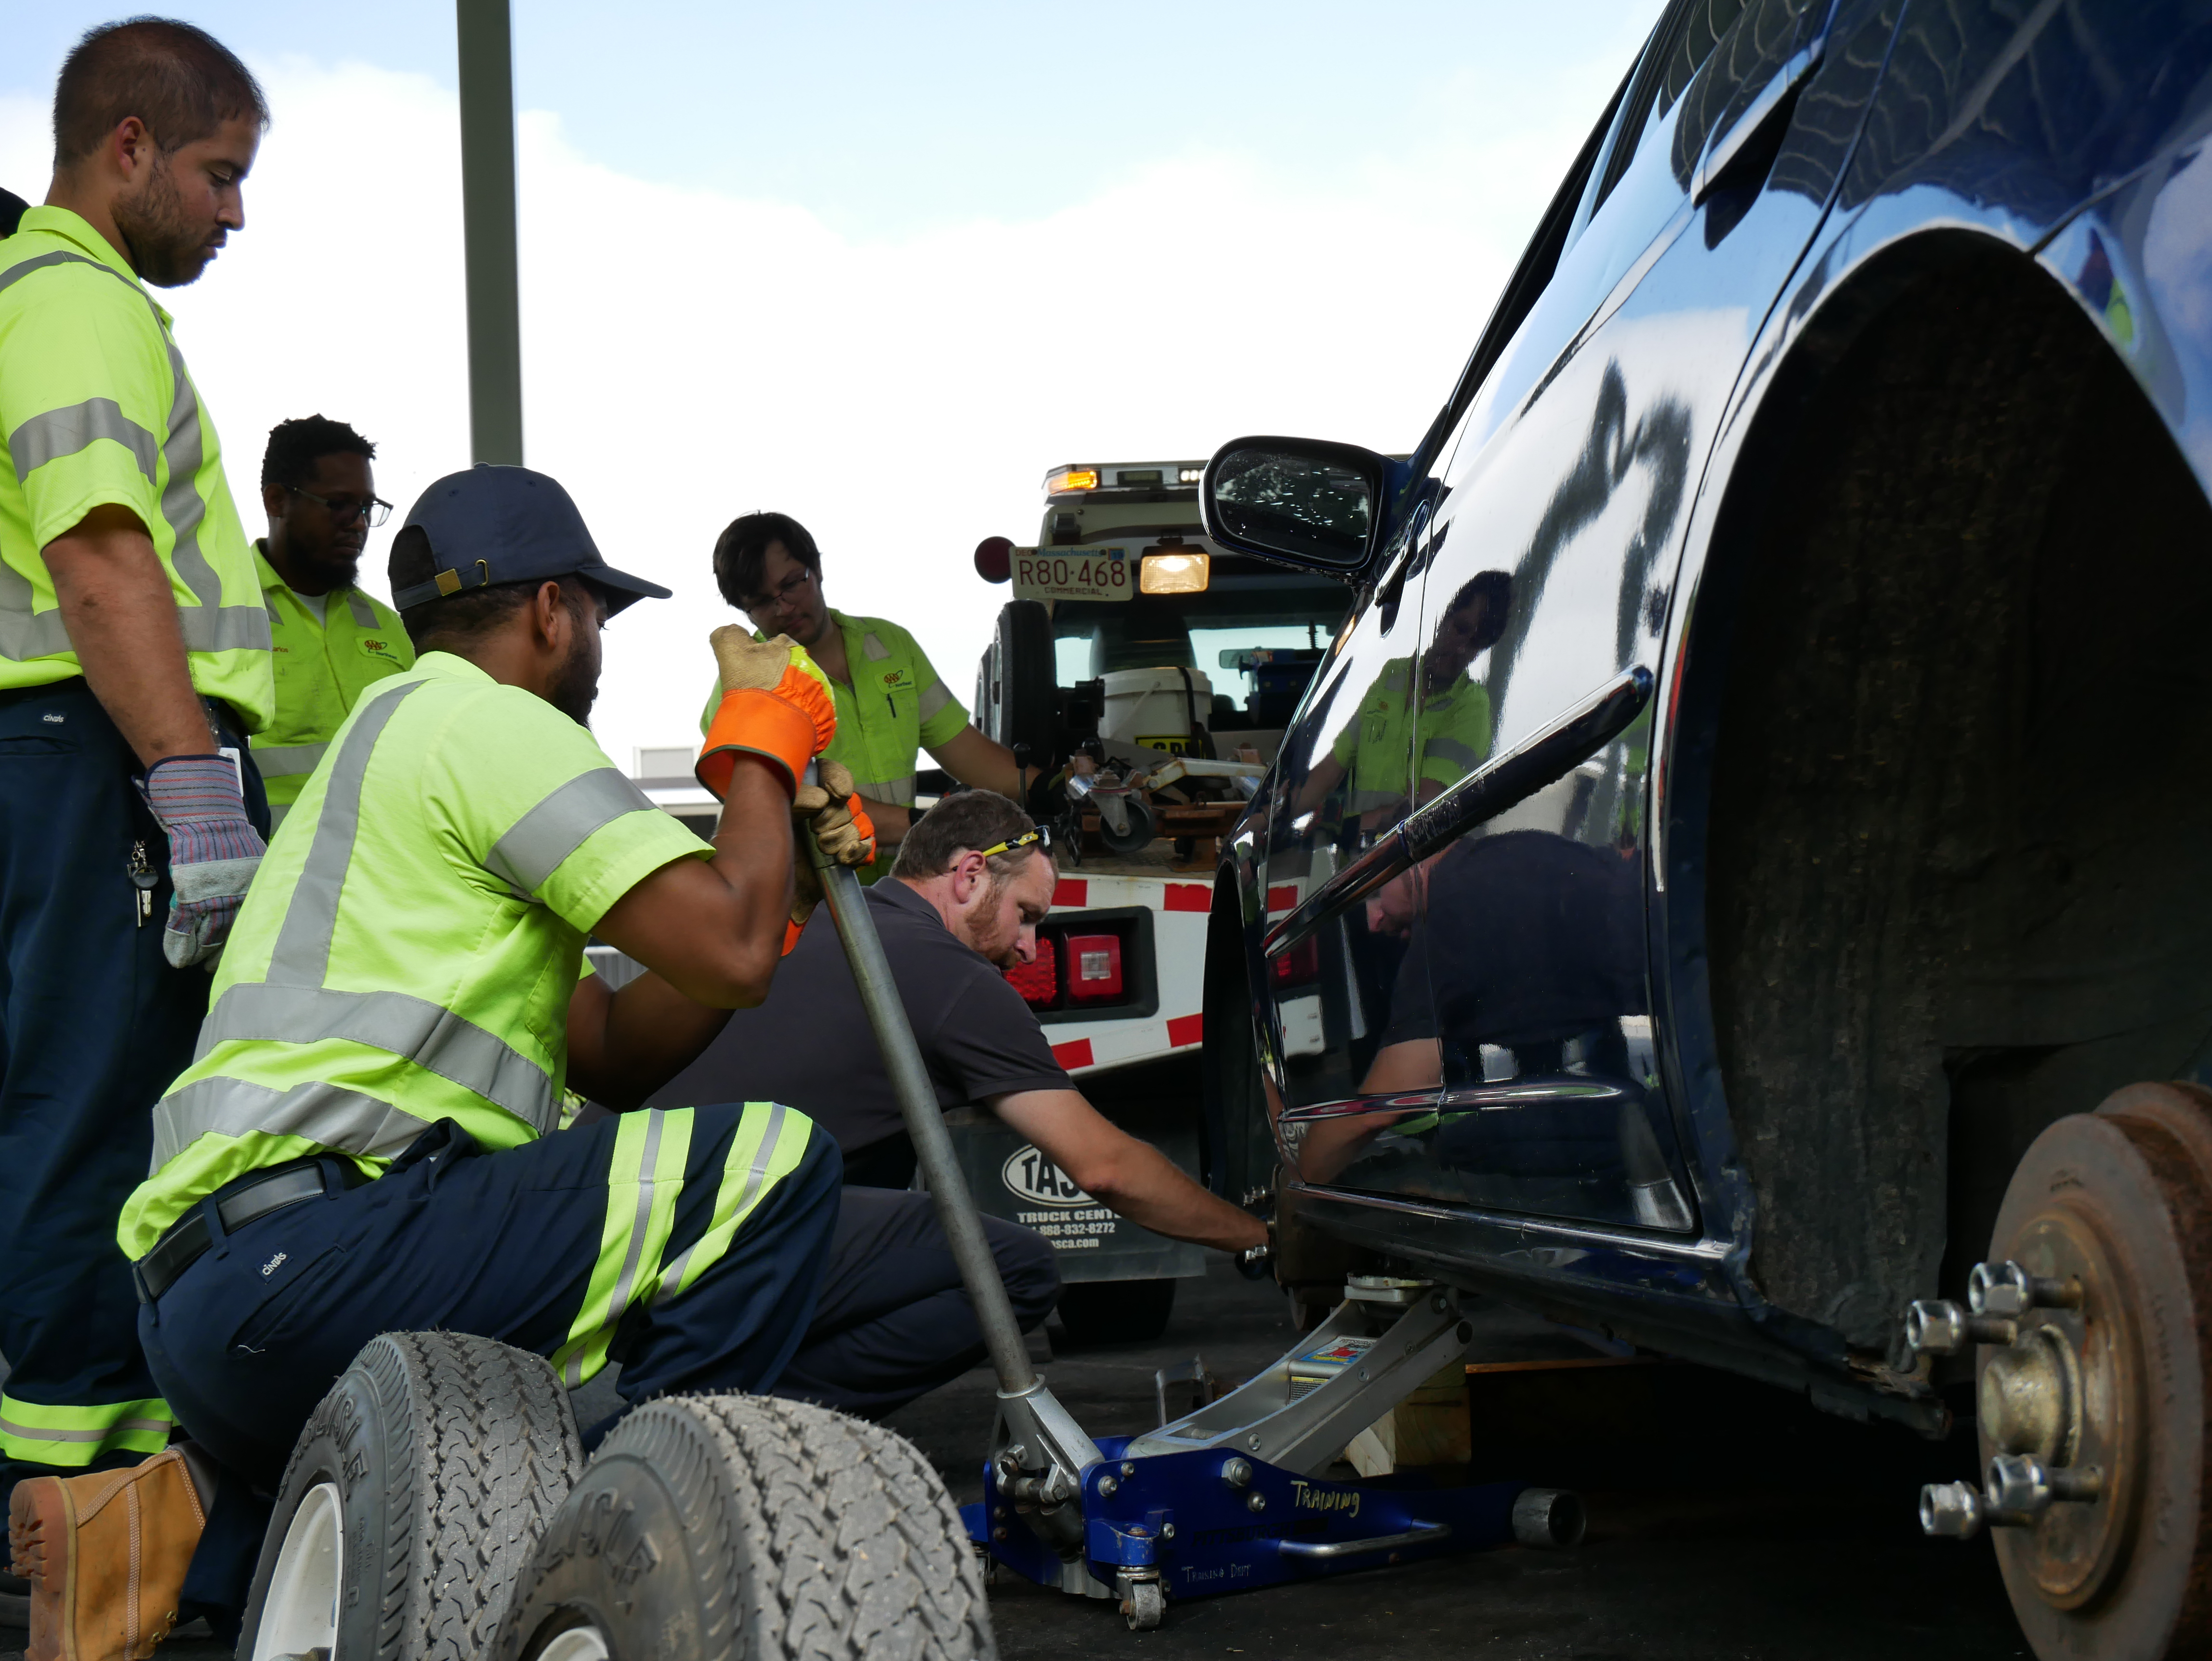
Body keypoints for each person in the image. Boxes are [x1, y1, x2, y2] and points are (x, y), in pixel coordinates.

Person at [8, 464, 867, 1653]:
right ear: (552, 610)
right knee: (773, 1160)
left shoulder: (391, 747)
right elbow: (724, 945)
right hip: (321, 1253)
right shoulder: (491, 723)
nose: (599, 649)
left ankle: (174, 1523)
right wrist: (760, 743)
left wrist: (789, 891)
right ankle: (643, 1560)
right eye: (601, 621)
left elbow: (616, 1049)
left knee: (602, 1210)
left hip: (217, 1303)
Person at [0, 18, 275, 1529]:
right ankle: (82, 1509)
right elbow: (101, 549)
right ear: (129, 150)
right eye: (220, 175)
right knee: (101, 1118)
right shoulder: (77, 301)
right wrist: (186, 777)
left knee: (59, 1103)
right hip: (95, 747)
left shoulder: (44, 302)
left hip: (62, 749)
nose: (235, 214)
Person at [651, 788, 1269, 1417]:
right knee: (1014, 1271)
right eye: (1026, 915)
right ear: (971, 875)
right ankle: (734, 1420)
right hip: (705, 1239)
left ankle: (701, 1381)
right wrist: (1260, 1236)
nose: (1029, 948)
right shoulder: (951, 977)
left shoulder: (836, 921)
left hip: (625, 1220)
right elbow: (1104, 1167)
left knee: (887, 1189)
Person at [707, 510, 1040, 878]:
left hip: (897, 893)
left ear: (816, 568)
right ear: (746, 611)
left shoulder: (890, 645)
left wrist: (1051, 787)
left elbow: (970, 756)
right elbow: (814, 806)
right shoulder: (746, 689)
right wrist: (932, 828)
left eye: (791, 584)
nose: (784, 607)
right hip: (810, 911)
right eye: (762, 601)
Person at [249, 414, 413, 829]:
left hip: (379, 873)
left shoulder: (391, 628)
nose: (358, 523)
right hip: (265, 880)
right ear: (276, 501)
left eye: (366, 507)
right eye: (338, 504)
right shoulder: (224, 615)